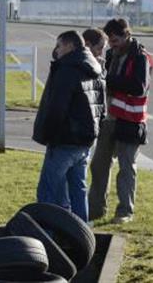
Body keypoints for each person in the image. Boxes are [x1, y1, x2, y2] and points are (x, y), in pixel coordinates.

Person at [32, 31, 104, 222]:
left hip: (64, 140)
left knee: (48, 191)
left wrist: (47, 135)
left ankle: (48, 235)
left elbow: (57, 108)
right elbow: (101, 106)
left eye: (59, 46)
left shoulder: (67, 70)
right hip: (86, 140)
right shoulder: (94, 68)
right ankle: (82, 235)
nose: (56, 51)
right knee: (78, 190)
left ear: (70, 46)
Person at [88, 19, 153, 225]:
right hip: (110, 119)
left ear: (127, 35)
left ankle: (125, 211)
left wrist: (107, 78)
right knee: (99, 165)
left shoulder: (140, 57)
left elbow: (138, 86)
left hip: (131, 120)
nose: (112, 44)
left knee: (126, 168)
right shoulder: (110, 55)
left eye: (115, 40)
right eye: (110, 40)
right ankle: (95, 209)